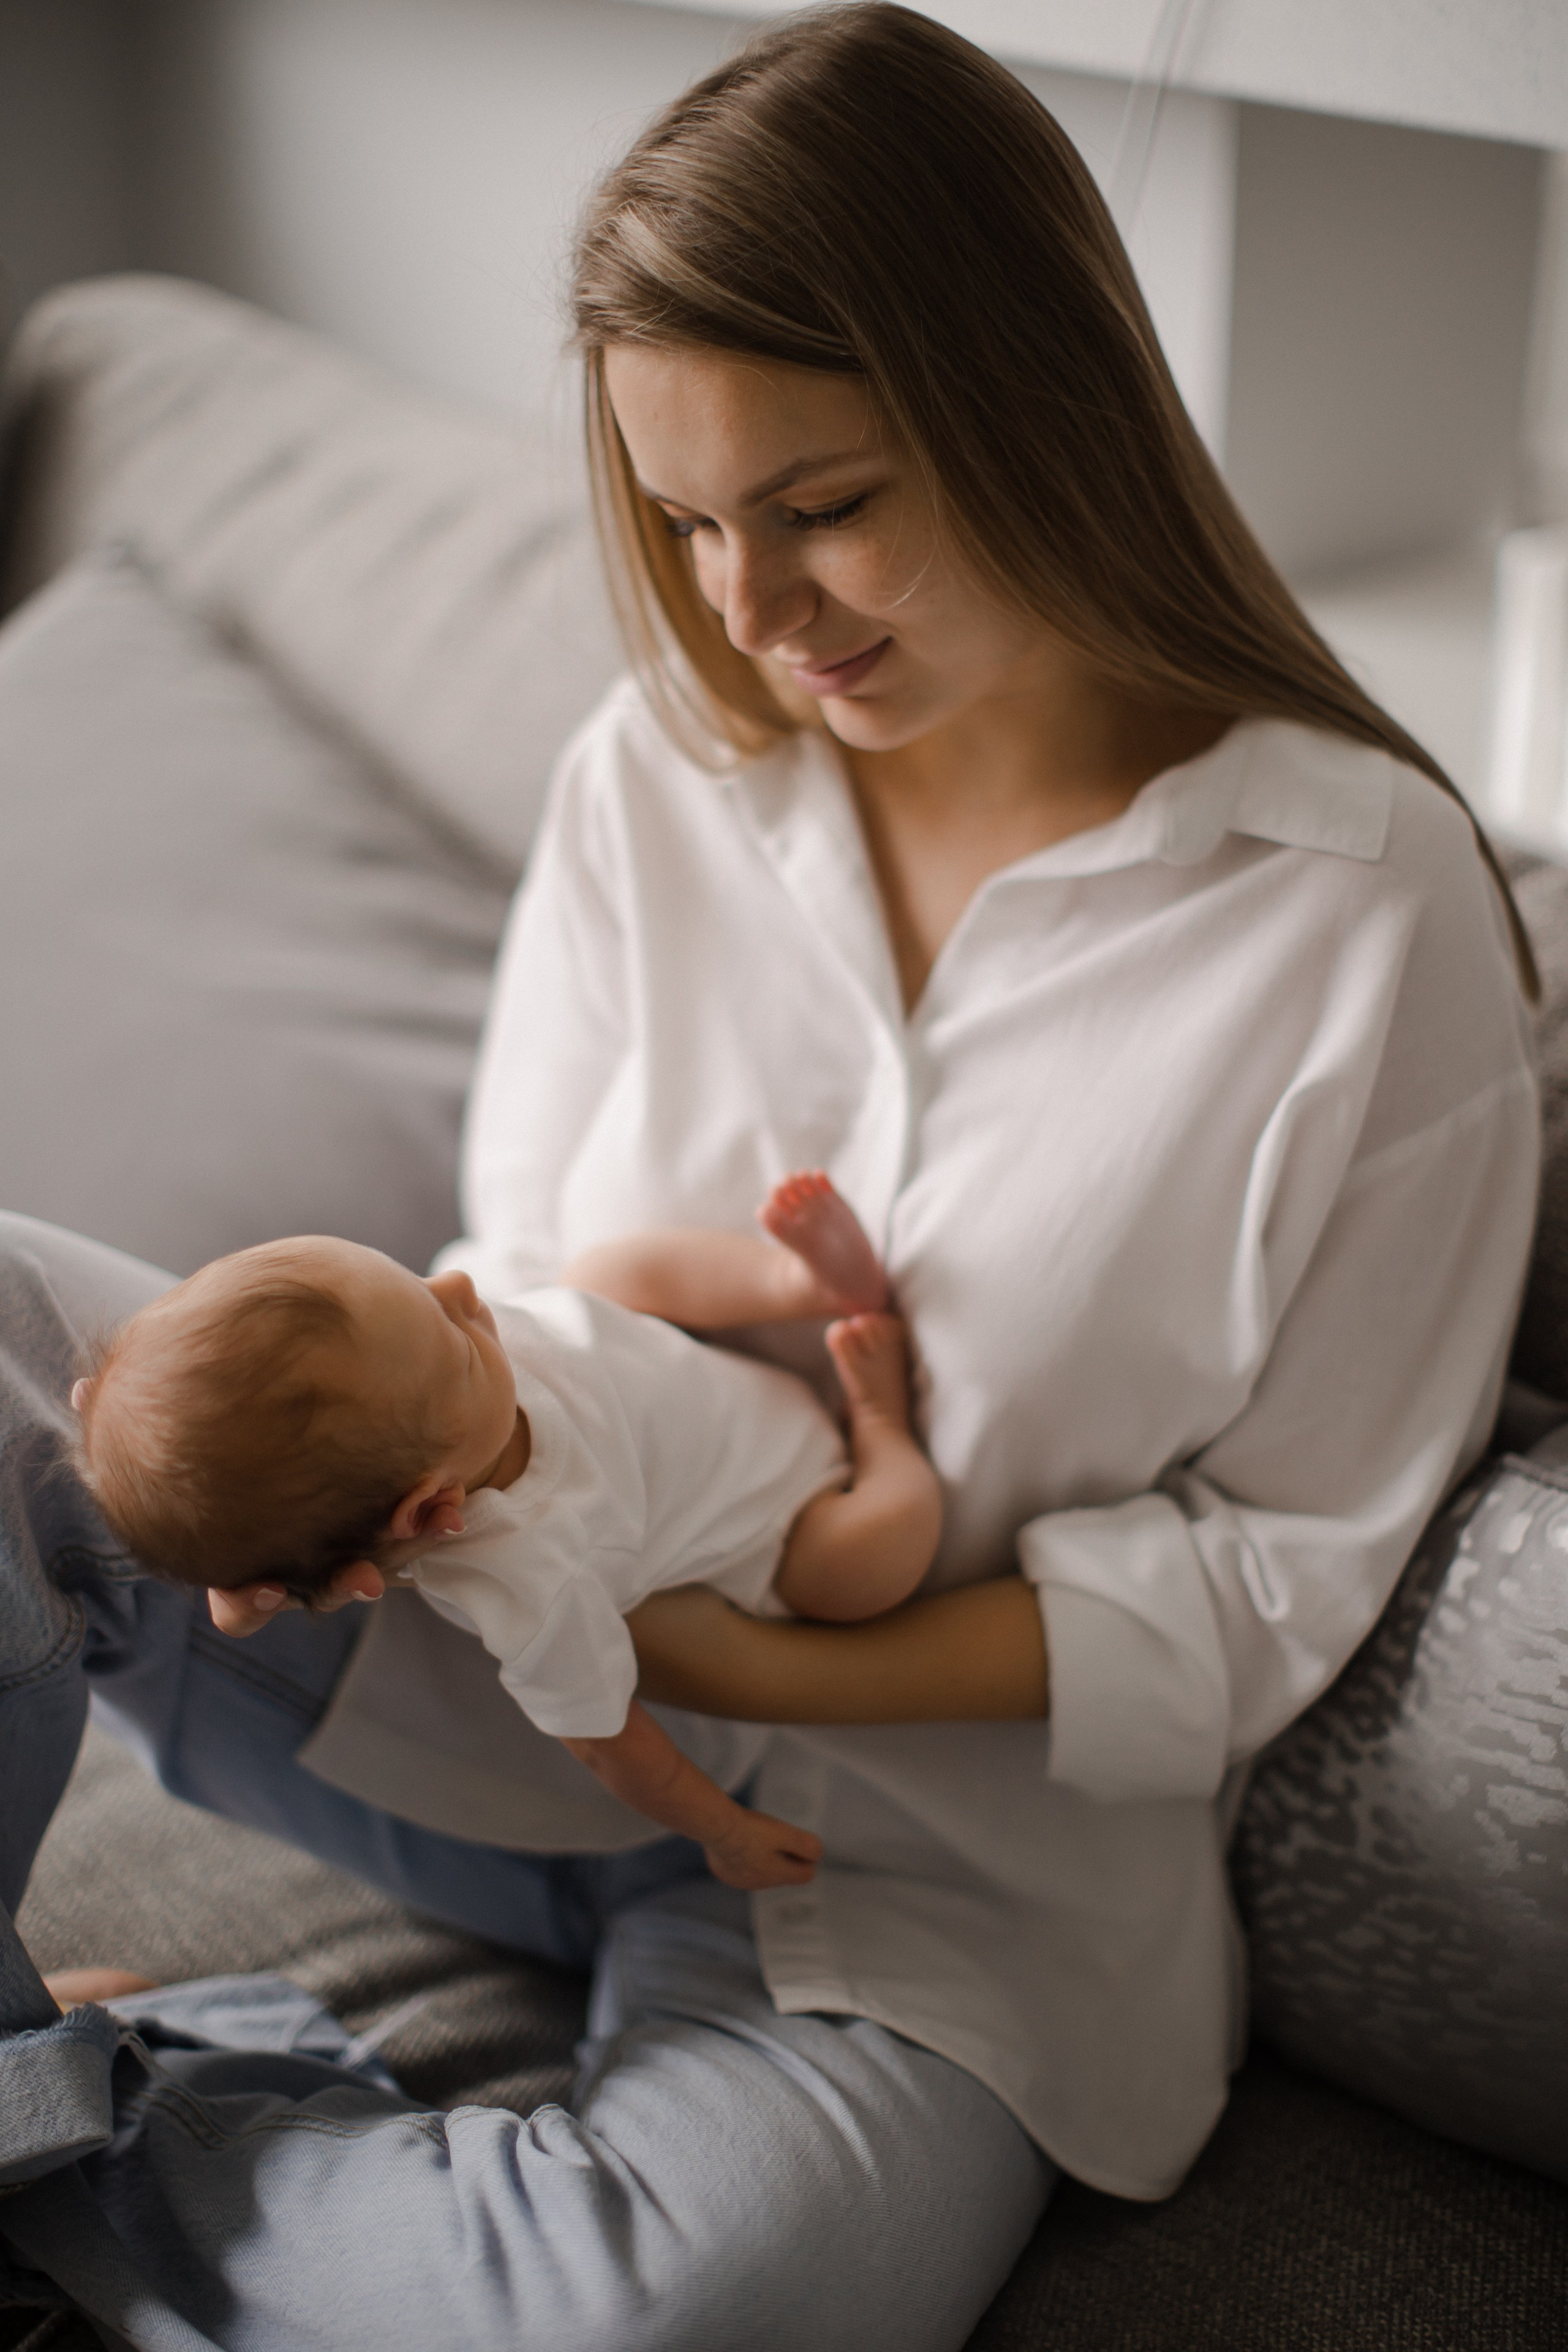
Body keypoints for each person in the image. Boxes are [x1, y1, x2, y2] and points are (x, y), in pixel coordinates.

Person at [0, 6, 1539, 2348]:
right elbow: (514, 1258)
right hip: (485, 1668)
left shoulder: (1362, 907)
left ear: (1050, 399)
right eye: (692, 522)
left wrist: (741, 1642)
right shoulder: (669, 778)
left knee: (670, 2317)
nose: (753, 610)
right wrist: (459, 1461)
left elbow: (1270, 1586)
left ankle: (81, 2138)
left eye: (821, 506)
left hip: (929, 1863)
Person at [68, 1178, 942, 1889]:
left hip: (665, 1365)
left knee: (609, 1267)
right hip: (782, 1513)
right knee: (864, 1568)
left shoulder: (434, 1384)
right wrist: (725, 1831)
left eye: (412, 1284)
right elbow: (610, 1743)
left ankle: (802, 1287)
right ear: (428, 1509)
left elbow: (285, 1433)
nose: (459, 1290)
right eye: (449, 1335)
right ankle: (882, 1423)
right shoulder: (532, 1581)